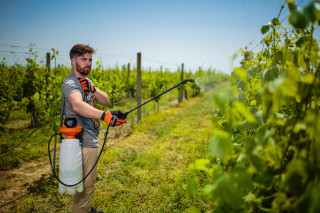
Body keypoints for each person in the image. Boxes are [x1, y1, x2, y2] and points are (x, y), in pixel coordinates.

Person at [62, 44, 127, 213]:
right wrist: (104, 116)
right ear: (73, 61)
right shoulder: (71, 83)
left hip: (90, 139)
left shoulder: (87, 82)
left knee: (86, 186)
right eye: (84, 59)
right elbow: (77, 105)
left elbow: (106, 101)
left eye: (90, 60)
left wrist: (93, 89)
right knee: (86, 188)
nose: (88, 63)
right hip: (82, 142)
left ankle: (85, 209)